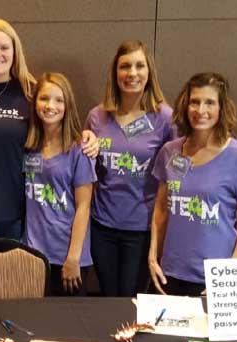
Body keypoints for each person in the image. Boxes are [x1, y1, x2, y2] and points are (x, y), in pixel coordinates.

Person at [0, 18, 98, 248]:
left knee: (13, 283)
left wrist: (87, 137)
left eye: (4, 48)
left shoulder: (30, 91)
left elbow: (57, 124)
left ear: (15, 53)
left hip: (20, 216)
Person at [149, 72, 237, 296]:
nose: (200, 110)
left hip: (214, 280)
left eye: (209, 102)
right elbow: (161, 209)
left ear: (222, 108)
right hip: (169, 274)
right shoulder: (170, 152)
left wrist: (229, 277)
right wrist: (153, 255)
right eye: (194, 102)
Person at [86, 40, 174, 297]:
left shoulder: (165, 118)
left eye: (139, 66)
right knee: (108, 296)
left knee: (129, 300)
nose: (132, 73)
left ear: (149, 72)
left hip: (142, 229)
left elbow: (174, 177)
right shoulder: (97, 116)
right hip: (102, 225)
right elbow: (87, 166)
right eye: (125, 66)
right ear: (115, 73)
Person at [23, 73, 96, 296]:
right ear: (35, 103)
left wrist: (73, 258)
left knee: (69, 327)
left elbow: (84, 207)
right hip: (34, 255)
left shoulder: (79, 149)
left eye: (58, 100)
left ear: (68, 105)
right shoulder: (28, 145)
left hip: (67, 257)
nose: (50, 106)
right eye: (44, 99)